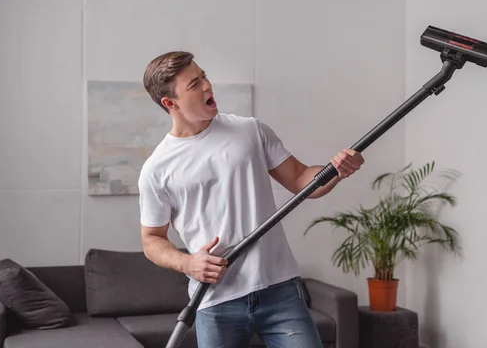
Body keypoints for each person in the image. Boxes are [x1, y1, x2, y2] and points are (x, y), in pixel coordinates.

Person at [138, 51, 364, 348]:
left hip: (280, 289)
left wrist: (336, 171)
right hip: (216, 300)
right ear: (171, 103)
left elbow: (300, 180)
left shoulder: (250, 131)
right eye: (194, 84)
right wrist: (188, 263)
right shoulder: (157, 169)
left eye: (204, 75)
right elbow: (152, 240)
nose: (207, 86)